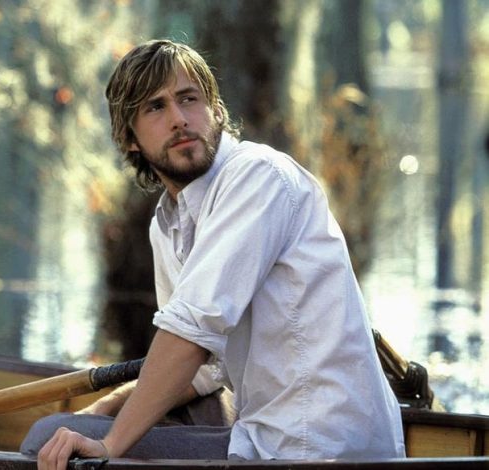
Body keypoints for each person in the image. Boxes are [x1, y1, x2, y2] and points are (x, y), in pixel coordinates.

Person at [24, 39, 405, 468]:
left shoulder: (258, 177)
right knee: (112, 417)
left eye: (189, 99)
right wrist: (110, 405)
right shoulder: (168, 224)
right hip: (263, 431)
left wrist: (109, 445)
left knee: (44, 438)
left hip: (313, 447)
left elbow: (190, 335)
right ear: (129, 138)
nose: (179, 119)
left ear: (217, 111)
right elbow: (203, 365)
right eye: (156, 107)